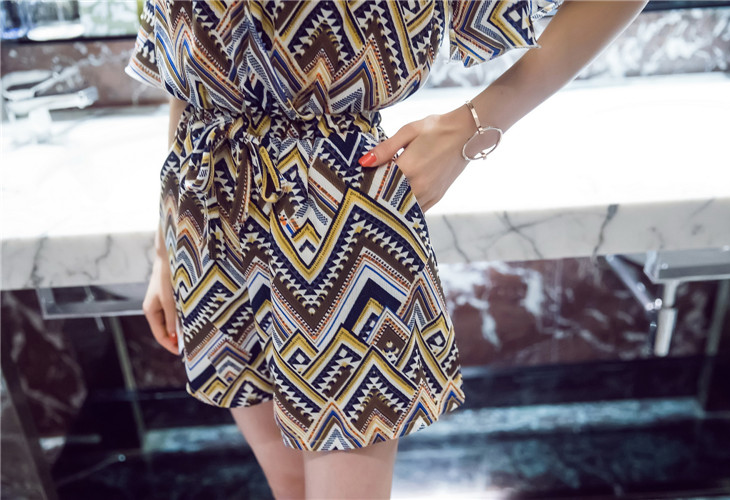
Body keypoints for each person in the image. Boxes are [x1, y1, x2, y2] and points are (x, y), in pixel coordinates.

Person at [129, 0, 648, 498]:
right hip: (204, 209)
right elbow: (187, 68)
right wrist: (164, 253)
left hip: (333, 205)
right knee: (289, 489)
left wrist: (471, 126)